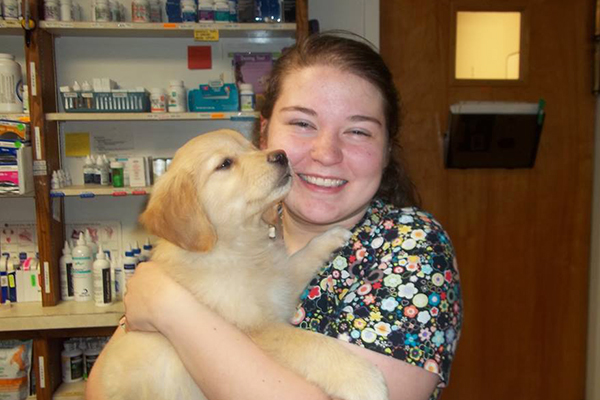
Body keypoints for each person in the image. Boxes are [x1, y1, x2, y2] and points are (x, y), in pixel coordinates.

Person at [87, 31, 462, 400]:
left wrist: (168, 307)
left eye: (358, 131)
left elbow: (255, 332)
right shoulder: (244, 230)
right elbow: (102, 389)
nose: (326, 152)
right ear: (263, 135)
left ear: (386, 151)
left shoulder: (411, 246)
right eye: (302, 123)